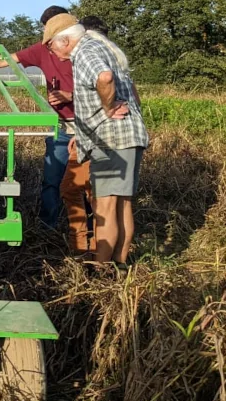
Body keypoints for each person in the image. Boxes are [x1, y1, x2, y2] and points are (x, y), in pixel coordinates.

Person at [44, 13, 148, 266]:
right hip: (125, 137)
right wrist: (83, 135)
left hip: (111, 139)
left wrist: (109, 107)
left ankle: (101, 268)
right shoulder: (101, 46)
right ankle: (119, 266)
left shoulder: (85, 51)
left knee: (105, 208)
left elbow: (104, 77)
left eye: (51, 45)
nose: (52, 52)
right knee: (122, 205)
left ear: (65, 40)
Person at [0, 5, 76, 231]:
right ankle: (49, 228)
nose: (47, 37)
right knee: (52, 179)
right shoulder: (42, 50)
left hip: (89, 125)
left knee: (87, 182)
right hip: (61, 126)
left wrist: (71, 95)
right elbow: (4, 61)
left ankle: (86, 229)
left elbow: (105, 85)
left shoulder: (85, 52)